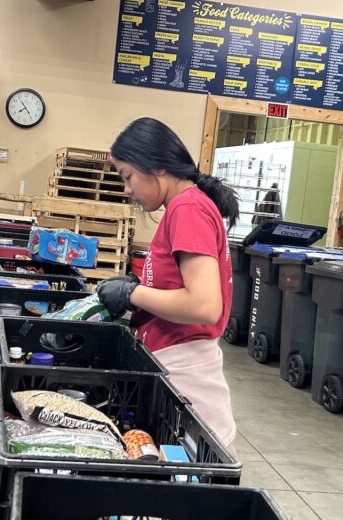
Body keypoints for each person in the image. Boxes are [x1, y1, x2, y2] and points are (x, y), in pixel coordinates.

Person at [96, 117, 239, 450]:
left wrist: (134, 293)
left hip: (187, 379)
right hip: (177, 369)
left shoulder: (187, 208)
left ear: (158, 167)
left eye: (128, 176)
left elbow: (204, 306)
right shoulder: (185, 206)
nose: (126, 189)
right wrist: (138, 289)